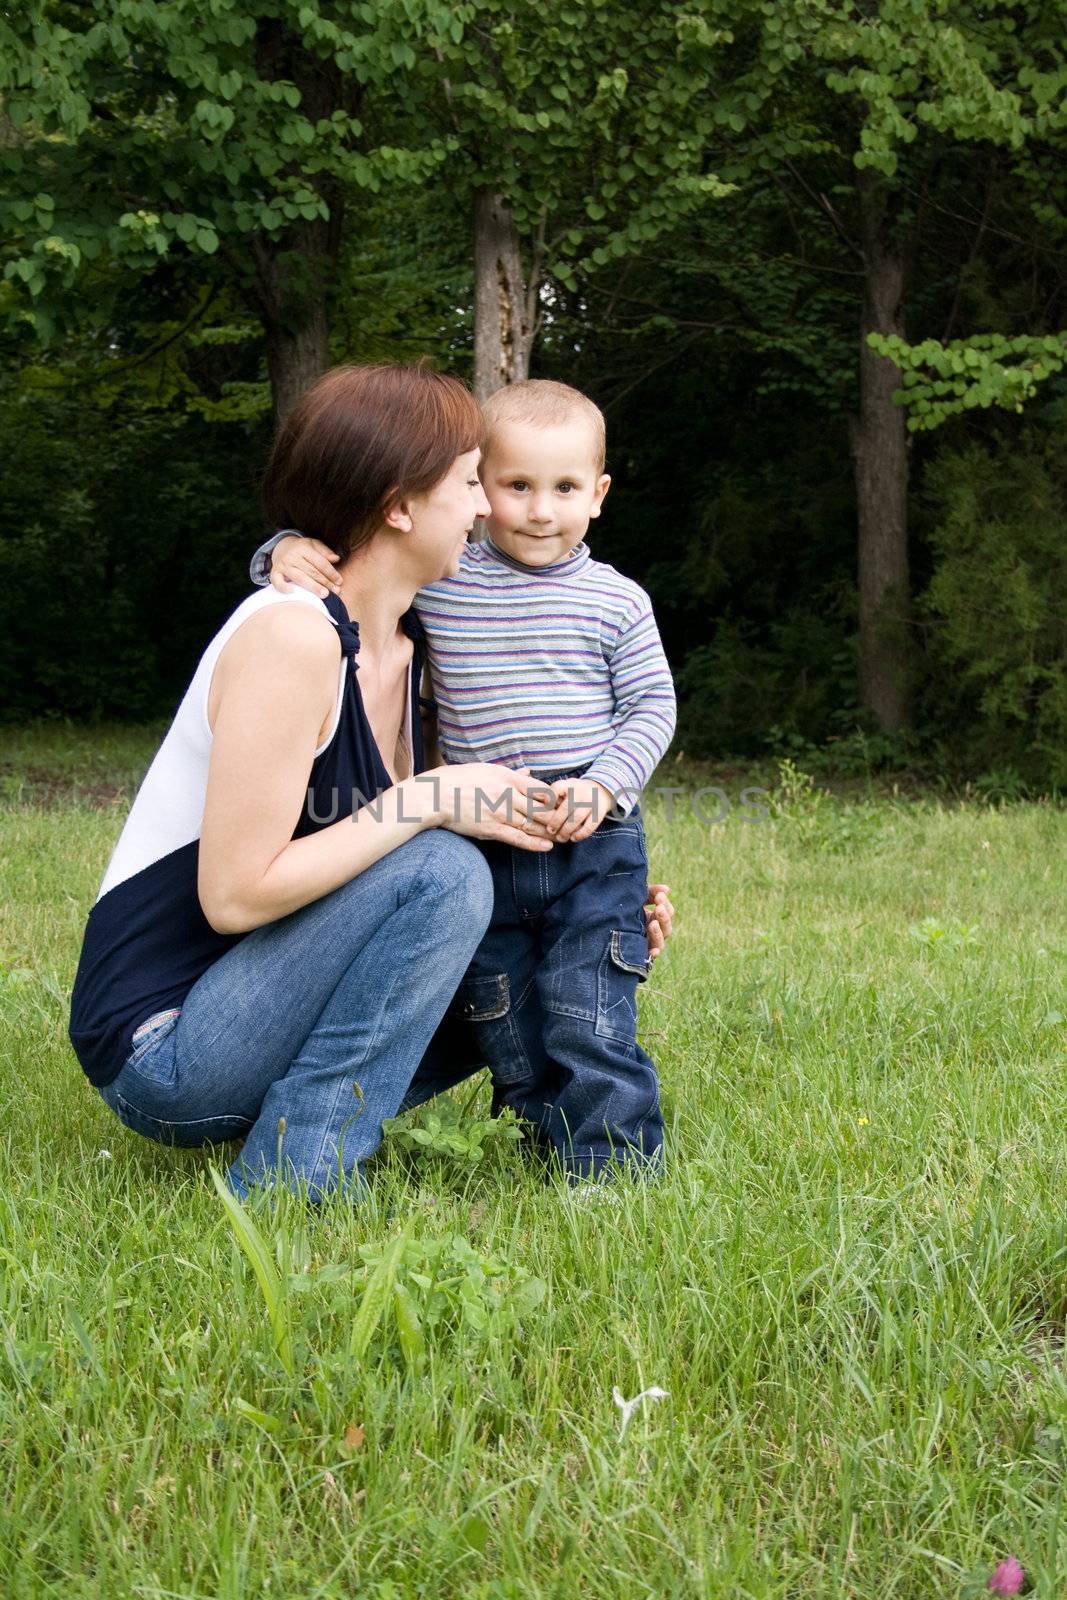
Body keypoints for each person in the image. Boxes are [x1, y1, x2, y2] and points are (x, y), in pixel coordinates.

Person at [68, 364, 578, 1203]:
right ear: (399, 504)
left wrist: (591, 901)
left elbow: (397, 872)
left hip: (261, 996)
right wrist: (424, 798)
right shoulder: (292, 639)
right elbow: (234, 898)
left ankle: (318, 1131)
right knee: (442, 871)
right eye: (466, 481)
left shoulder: (415, 655)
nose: (486, 505)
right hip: (164, 1042)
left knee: (565, 939)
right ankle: (295, 1181)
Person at [254, 379, 676, 1182]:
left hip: (585, 824)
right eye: (516, 486)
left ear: (600, 494)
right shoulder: (445, 584)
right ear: (480, 490)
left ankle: (616, 1168)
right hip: (478, 833)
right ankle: (536, 1144)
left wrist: (607, 786)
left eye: (564, 489)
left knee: (587, 1007)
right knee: (502, 1007)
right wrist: (279, 552)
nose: (539, 510)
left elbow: (652, 706)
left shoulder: (616, 601)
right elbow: (356, 576)